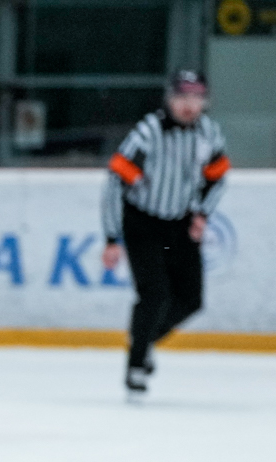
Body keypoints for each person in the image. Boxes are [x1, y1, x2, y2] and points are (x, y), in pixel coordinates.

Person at [101, 69, 229, 402]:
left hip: (179, 225)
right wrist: (112, 238)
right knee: (154, 292)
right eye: (181, 97)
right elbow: (115, 182)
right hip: (143, 223)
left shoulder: (209, 133)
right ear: (169, 99)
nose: (188, 105)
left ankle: (143, 341)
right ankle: (136, 366)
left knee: (191, 299)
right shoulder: (148, 133)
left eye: (196, 98)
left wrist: (202, 213)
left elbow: (218, 177)